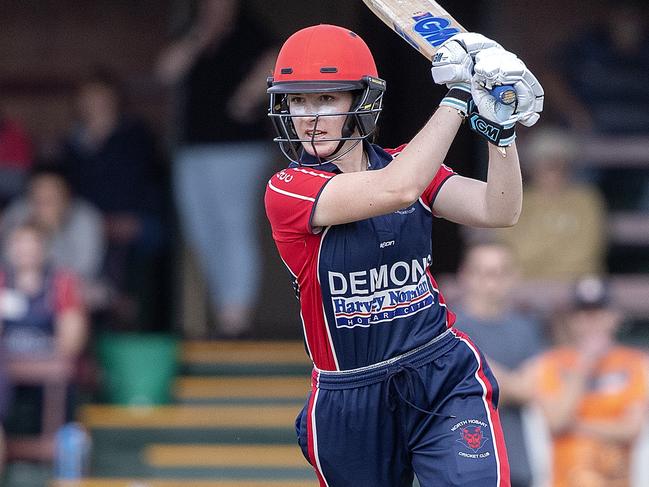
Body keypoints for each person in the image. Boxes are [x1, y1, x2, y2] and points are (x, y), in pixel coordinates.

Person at [264, 24, 543, 486]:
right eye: (298, 101)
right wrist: (459, 93)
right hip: (349, 394)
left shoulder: (405, 163)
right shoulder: (288, 189)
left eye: (327, 99)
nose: (310, 117)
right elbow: (397, 189)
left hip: (439, 372)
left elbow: (500, 209)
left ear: (360, 103)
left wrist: (501, 133)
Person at [156, 0, 277, 337]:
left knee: (232, 225)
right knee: (200, 229)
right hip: (192, 148)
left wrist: (248, 94)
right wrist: (199, 37)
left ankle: (234, 317)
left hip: (239, 145)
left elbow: (279, 59)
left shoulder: (251, 28)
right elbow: (165, 71)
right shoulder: (191, 29)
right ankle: (225, 308)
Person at [60, 69, 167, 329]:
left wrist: (128, 219)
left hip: (136, 219)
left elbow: (153, 183)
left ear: (114, 100)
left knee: (139, 240)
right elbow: (68, 193)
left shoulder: (136, 135)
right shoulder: (73, 143)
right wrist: (93, 223)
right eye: (88, 98)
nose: (94, 104)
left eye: (101, 97)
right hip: (86, 223)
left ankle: (129, 316)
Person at [532, 276, 649, 487]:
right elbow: (557, 421)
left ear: (614, 316)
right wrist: (584, 364)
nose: (592, 321)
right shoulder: (550, 363)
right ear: (572, 319)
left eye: (599, 312)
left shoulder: (636, 364)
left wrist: (577, 426)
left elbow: (631, 429)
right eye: (584, 313)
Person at [454, 241, 546, 487]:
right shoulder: (447, 327)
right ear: (465, 275)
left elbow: (530, 390)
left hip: (516, 462)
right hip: (462, 462)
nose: (491, 281)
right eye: (483, 272)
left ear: (514, 276)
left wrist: (477, 366)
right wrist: (508, 384)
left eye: (500, 272)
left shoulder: (526, 328)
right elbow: (458, 395)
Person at [495, 126, 607, 280]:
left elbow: (587, 250)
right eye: (545, 163)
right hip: (525, 286)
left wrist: (539, 251)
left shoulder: (586, 200)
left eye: (558, 163)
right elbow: (513, 252)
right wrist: (558, 244)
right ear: (532, 167)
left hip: (576, 286)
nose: (552, 170)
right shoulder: (516, 199)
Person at [0, 167, 106, 301]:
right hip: (20, 286)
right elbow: (5, 261)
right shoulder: (17, 212)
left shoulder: (85, 217)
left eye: (50, 198)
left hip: (73, 287)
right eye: (37, 198)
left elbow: (85, 269)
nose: (42, 204)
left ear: (66, 197)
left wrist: (52, 233)